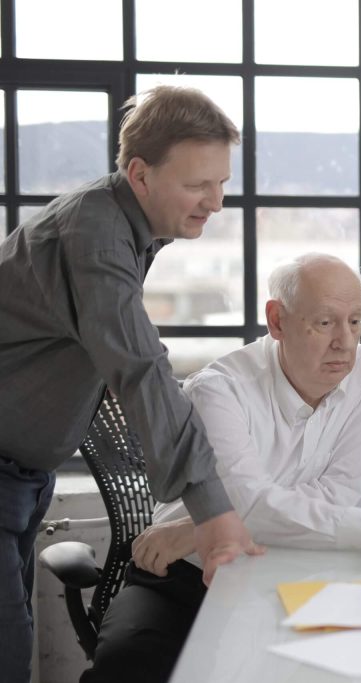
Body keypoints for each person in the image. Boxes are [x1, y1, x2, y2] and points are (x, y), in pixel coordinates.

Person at [0, 86, 262, 683]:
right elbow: (140, 367)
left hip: (23, 477)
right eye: (199, 184)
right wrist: (212, 513)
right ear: (139, 173)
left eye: (221, 182)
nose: (216, 202)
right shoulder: (94, 233)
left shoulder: (124, 226)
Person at [81, 253, 361, 683]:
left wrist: (204, 524)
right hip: (188, 574)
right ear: (277, 321)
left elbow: (343, 494)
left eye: (355, 321)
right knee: (129, 664)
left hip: (307, 572)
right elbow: (251, 503)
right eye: (325, 322)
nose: (344, 342)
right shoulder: (218, 390)